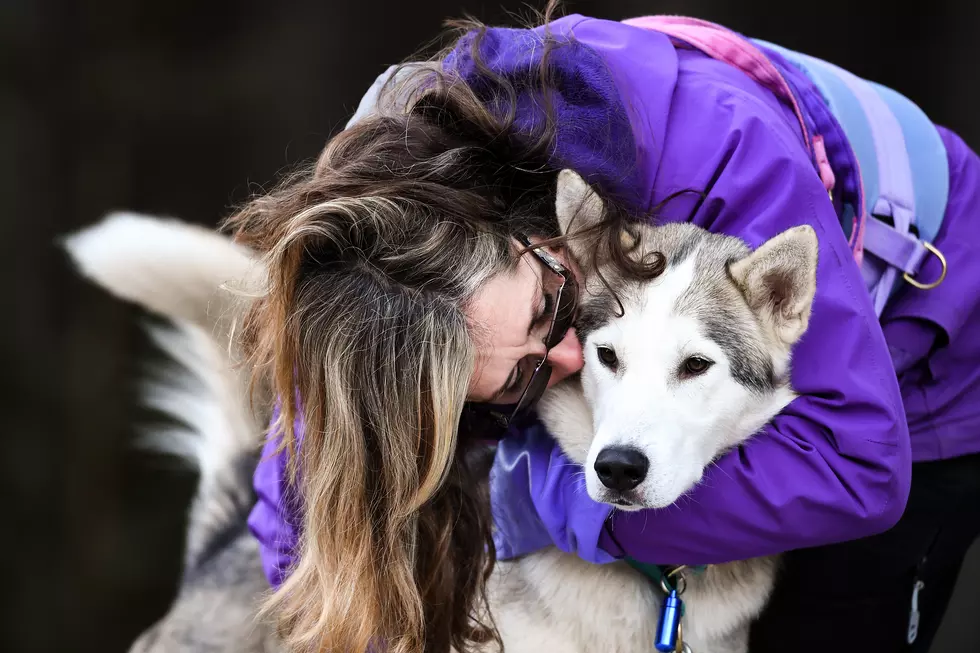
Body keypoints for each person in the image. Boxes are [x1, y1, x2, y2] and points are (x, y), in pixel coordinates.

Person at [238, 4, 980, 653]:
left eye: (549, 308)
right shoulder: (366, 281)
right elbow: (306, 508)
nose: (570, 352)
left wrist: (566, 509)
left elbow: (860, 470)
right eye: (521, 375)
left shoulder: (718, 158)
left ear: (512, 222)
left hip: (936, 344)